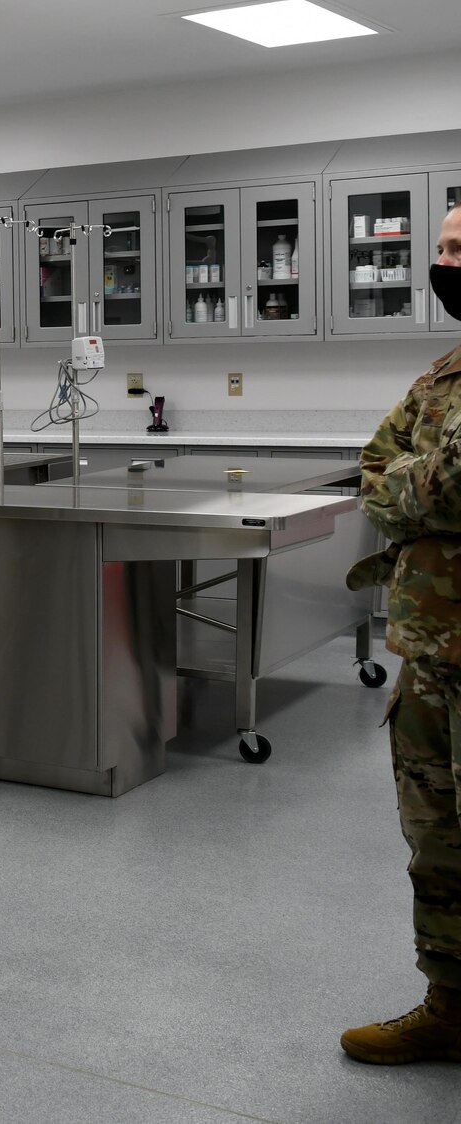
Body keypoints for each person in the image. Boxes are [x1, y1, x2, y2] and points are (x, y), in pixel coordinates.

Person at [344, 201, 461, 1065]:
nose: (447, 260)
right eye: (445, 246)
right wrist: (423, 485)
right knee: (437, 838)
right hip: (428, 653)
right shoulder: (444, 377)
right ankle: (451, 1003)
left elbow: (437, 488)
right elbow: (378, 470)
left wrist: (419, 487)